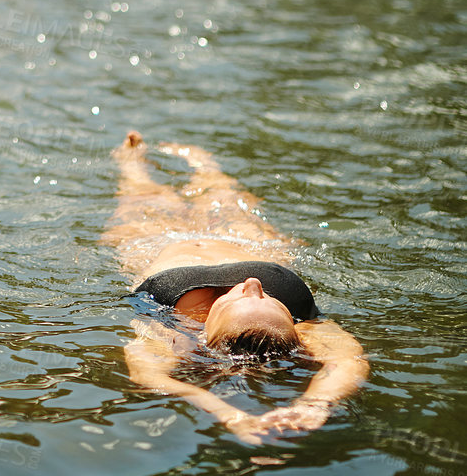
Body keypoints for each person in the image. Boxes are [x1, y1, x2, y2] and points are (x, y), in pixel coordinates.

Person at [102, 131, 368, 445]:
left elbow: (148, 375)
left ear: (203, 333)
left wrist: (227, 413)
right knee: (223, 194)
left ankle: (133, 161)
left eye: (240, 297)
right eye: (269, 297)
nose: (253, 284)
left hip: (152, 241)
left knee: (143, 193)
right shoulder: (301, 328)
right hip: (249, 242)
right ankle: (201, 162)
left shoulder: (177, 331)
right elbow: (348, 360)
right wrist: (315, 404)